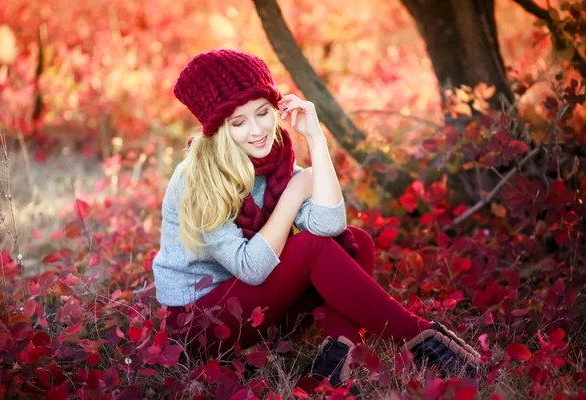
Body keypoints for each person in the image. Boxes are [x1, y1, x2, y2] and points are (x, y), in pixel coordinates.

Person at [152, 49, 481, 388]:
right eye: (238, 123)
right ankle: (423, 338)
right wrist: (295, 194)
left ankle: (334, 364)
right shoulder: (197, 179)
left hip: (251, 311)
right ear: (217, 129)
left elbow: (330, 226)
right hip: (200, 326)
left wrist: (316, 139)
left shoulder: (273, 163)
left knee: (356, 240)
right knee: (310, 247)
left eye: (263, 113)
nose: (256, 130)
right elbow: (251, 267)